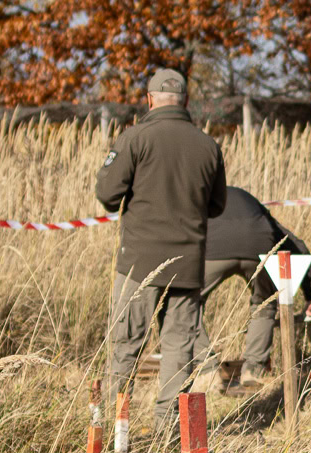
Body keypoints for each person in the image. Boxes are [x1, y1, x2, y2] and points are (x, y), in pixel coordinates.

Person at [95, 68, 229, 427]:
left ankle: (113, 426)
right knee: (179, 352)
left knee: (126, 345)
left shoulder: (134, 138)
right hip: (188, 266)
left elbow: (107, 196)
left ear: (150, 99)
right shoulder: (208, 146)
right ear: (185, 101)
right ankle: (168, 437)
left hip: (138, 264)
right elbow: (217, 207)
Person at [197, 186, 311, 387]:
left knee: (187, 307)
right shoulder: (250, 202)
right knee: (265, 305)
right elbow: (296, 243)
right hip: (260, 244)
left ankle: (208, 374)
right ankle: (253, 372)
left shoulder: (200, 197)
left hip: (215, 249)